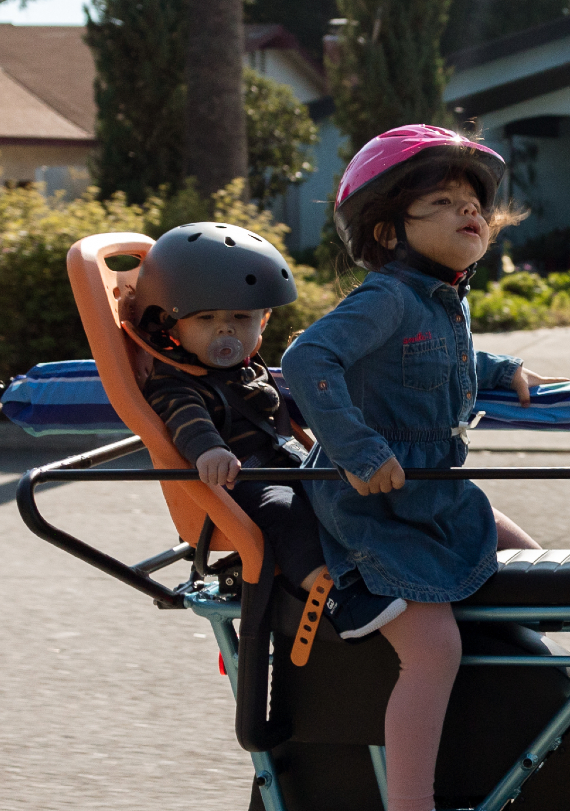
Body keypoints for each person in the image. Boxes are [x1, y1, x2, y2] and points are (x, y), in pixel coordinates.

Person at [283, 127, 560, 811]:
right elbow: (310, 360)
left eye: (474, 203)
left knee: (538, 571)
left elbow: (436, 358)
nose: (468, 213)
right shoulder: (386, 295)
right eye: (441, 202)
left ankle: (540, 717)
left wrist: (502, 369)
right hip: (374, 515)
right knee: (432, 648)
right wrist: (360, 449)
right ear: (388, 230)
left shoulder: (439, 300)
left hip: (435, 500)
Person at [131, 223, 388, 618]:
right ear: (171, 324)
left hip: (285, 465)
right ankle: (331, 595)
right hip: (238, 483)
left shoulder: (250, 367)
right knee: (285, 511)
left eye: (240, 316)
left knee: (352, 486)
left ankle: (380, 565)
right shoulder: (177, 382)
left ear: (263, 321)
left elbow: (286, 406)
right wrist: (210, 449)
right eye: (206, 318)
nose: (225, 328)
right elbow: (188, 419)